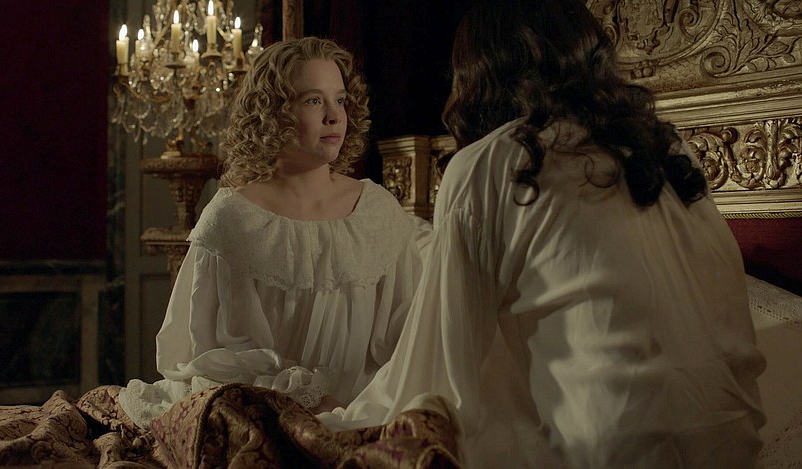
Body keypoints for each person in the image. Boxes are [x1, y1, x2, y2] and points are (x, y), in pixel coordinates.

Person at [319, 1, 767, 467]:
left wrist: (341, 424)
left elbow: (437, 365)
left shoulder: (492, 161)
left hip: (612, 452)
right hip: (732, 446)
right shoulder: (668, 150)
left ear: (477, 71)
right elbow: (730, 321)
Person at [118, 36, 429, 429]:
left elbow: (409, 334)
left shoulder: (376, 211)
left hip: (367, 411)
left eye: (340, 100)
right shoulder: (235, 218)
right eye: (313, 101)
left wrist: (369, 408)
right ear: (274, 113)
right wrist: (304, 396)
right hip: (263, 413)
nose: (334, 116)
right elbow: (217, 353)